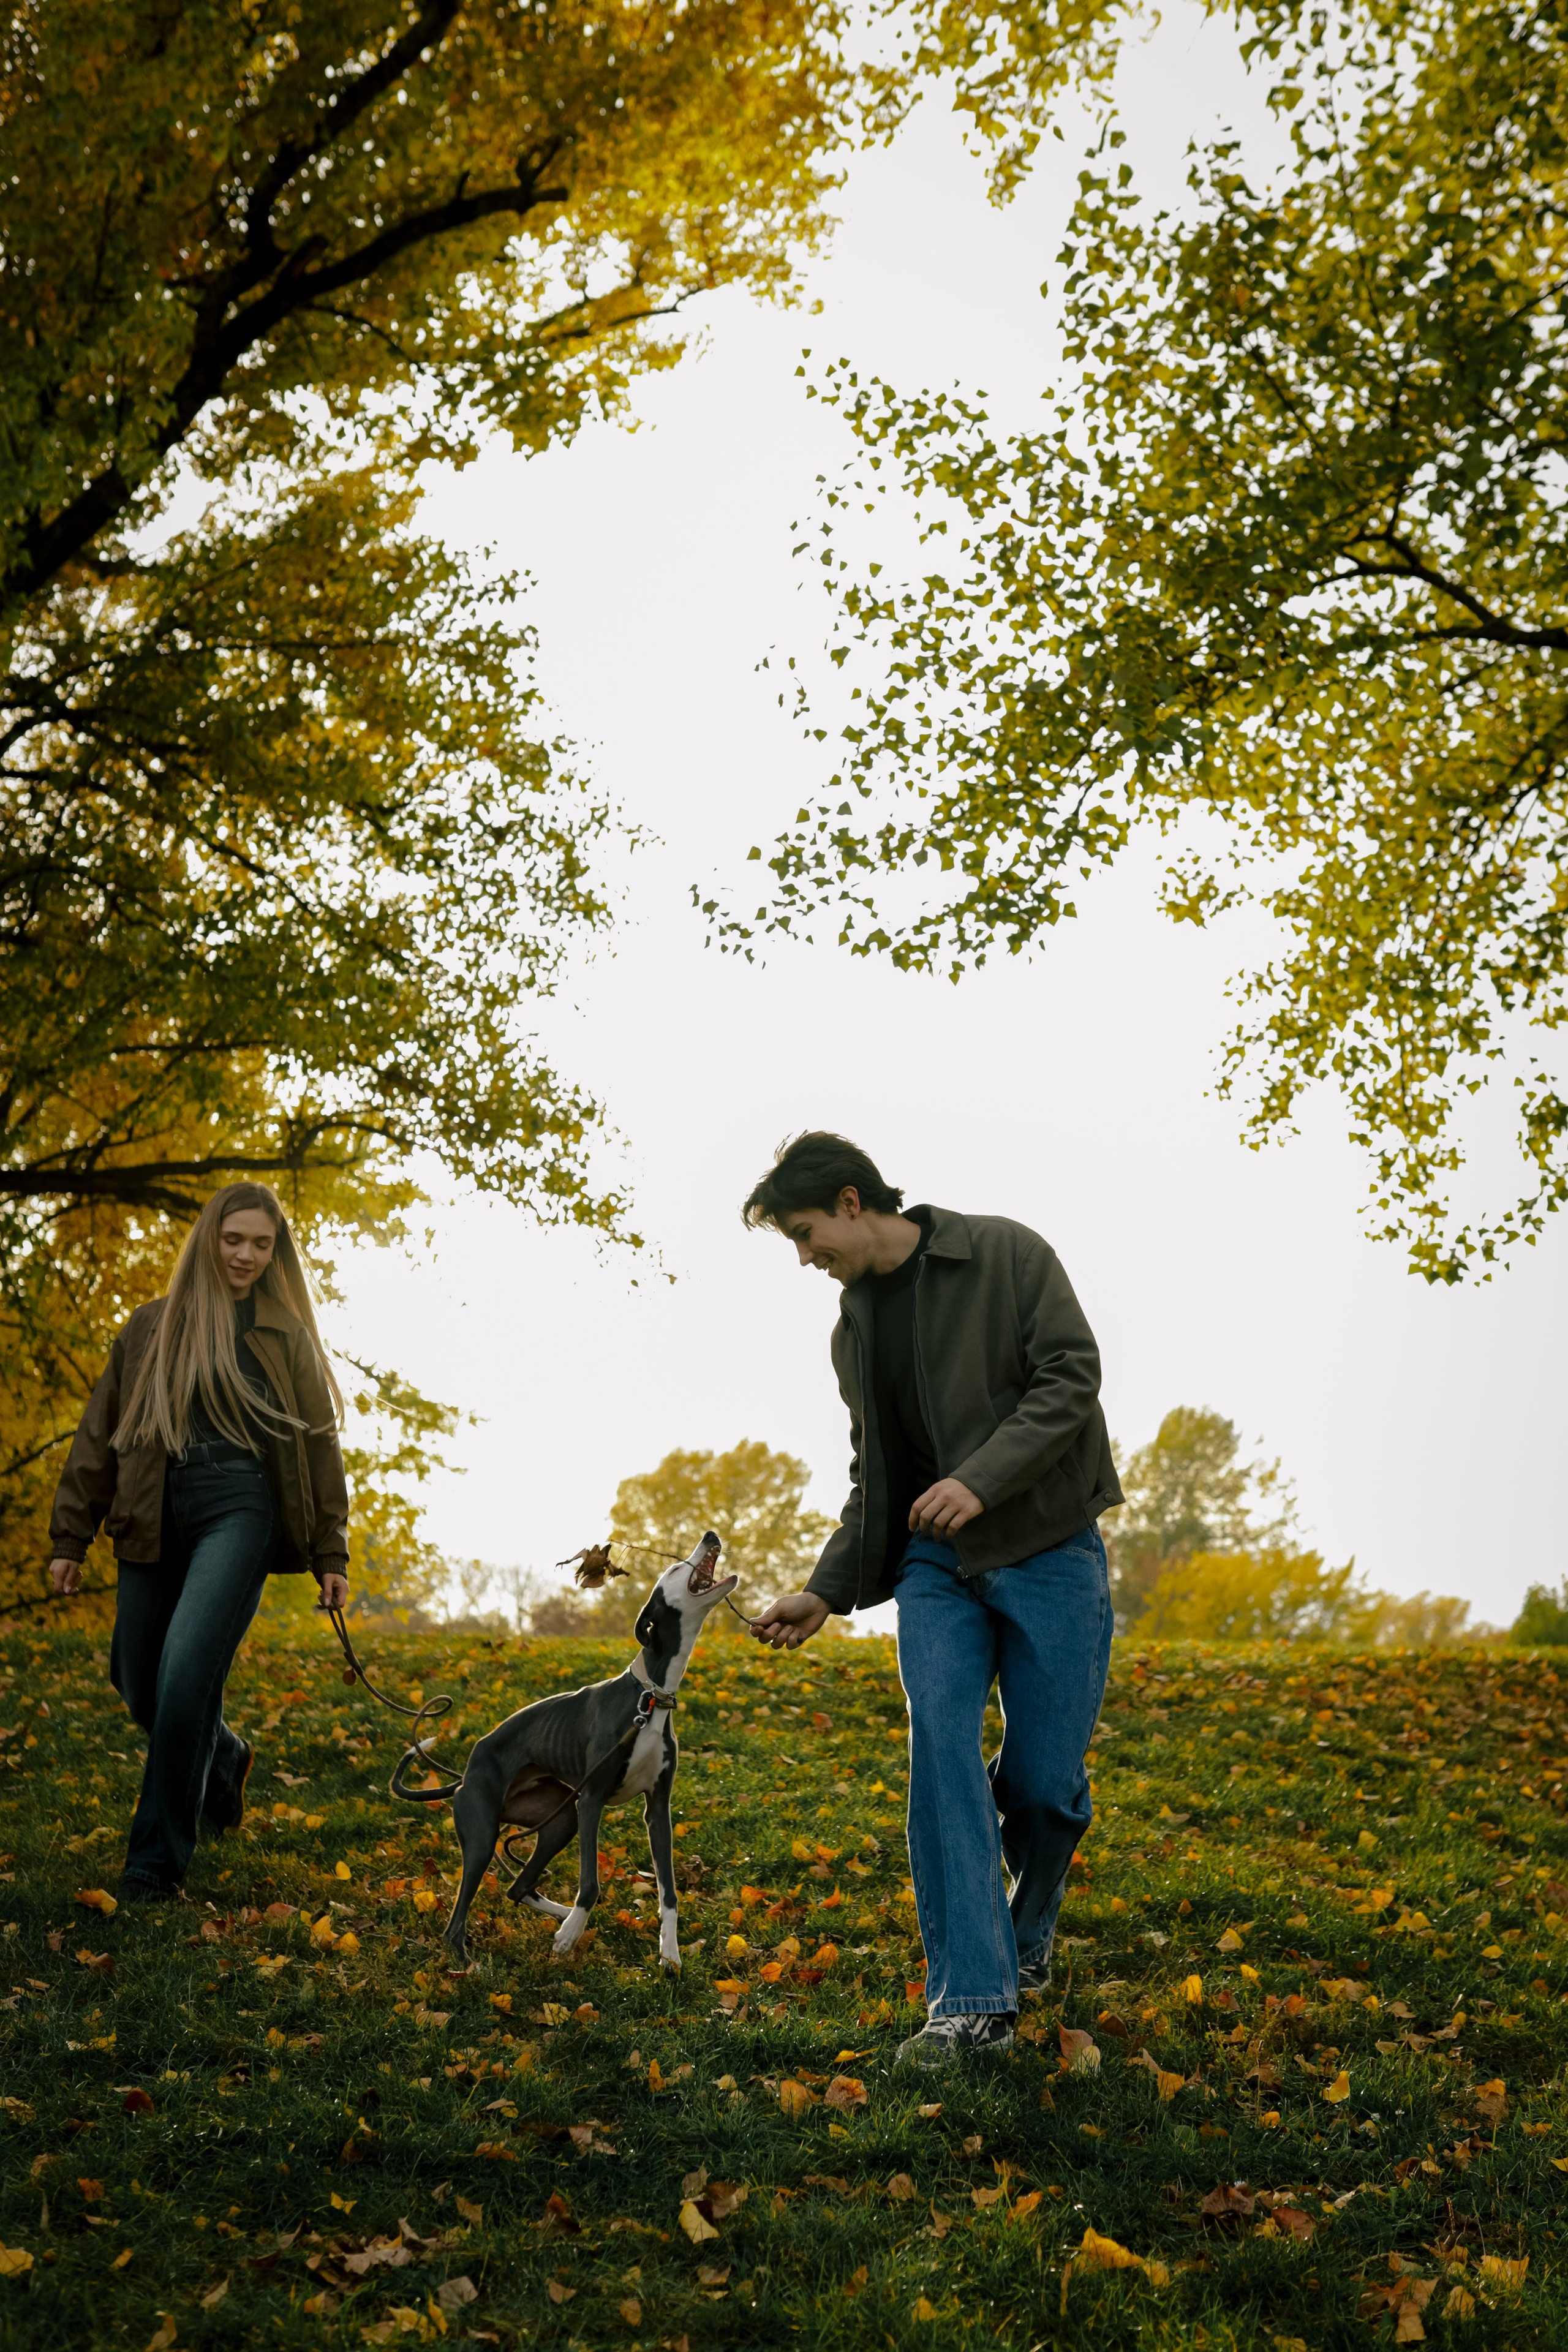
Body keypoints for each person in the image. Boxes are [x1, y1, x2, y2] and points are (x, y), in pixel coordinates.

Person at [743, 1133, 1122, 2069]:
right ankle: (972, 2005)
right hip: (935, 1570)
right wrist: (826, 1590)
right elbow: (875, 1475)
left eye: (804, 1234)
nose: (804, 1258)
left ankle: (1026, 1933)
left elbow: (1071, 1374)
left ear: (848, 1201)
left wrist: (982, 1482)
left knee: (1044, 1783)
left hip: (1048, 1548)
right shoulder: (854, 1329)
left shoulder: (1005, 1254)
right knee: (942, 1750)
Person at [47, 1182, 351, 1904]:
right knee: (136, 1675)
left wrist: (330, 1551)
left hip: (239, 1506)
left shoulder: (286, 1334)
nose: (246, 1255)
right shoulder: (150, 1328)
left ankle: (153, 1865)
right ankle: (223, 1756)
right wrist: (71, 1535)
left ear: (275, 1254)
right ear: (208, 1240)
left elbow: (320, 1446)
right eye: (234, 1239)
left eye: (262, 1243)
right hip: (153, 1505)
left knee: (186, 1680)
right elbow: (100, 1434)